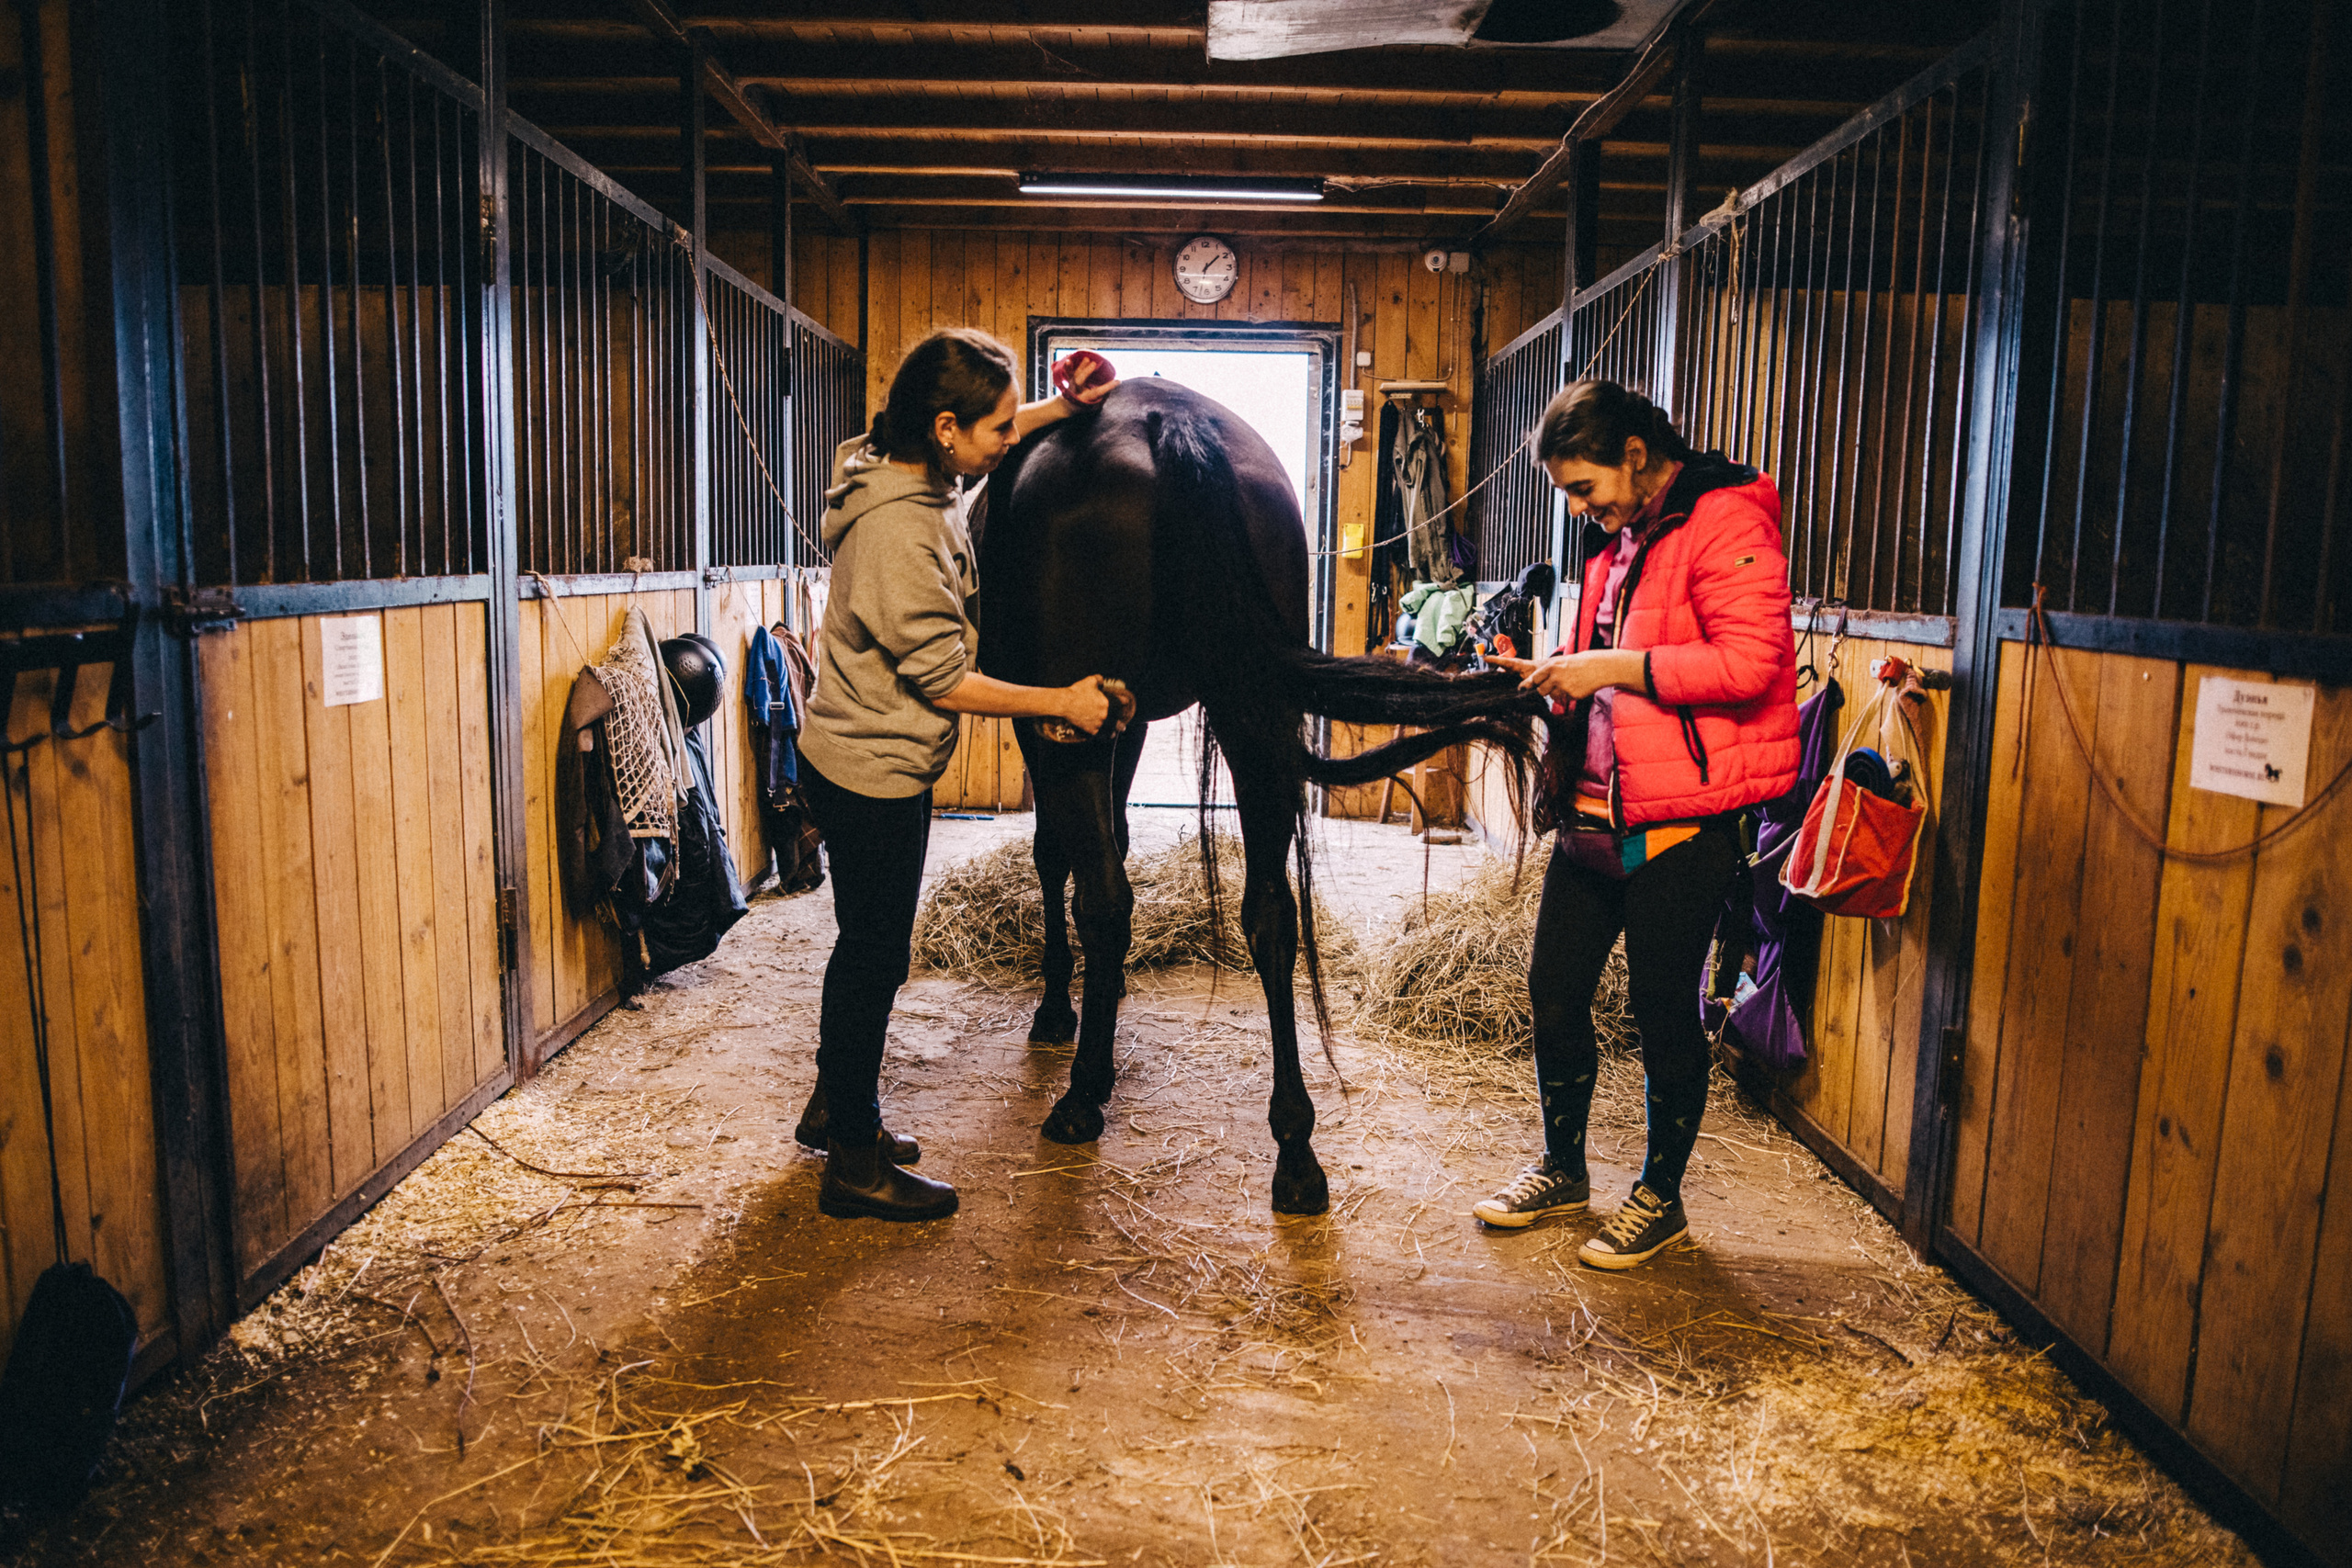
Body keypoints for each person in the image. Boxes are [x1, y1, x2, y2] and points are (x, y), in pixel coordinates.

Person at [795, 329, 1118, 1223]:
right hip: (871, 776)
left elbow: (969, 454)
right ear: (944, 427)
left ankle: (836, 1109)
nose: (1011, 443)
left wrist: (1063, 407)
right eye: (1001, 428)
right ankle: (852, 1162)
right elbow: (944, 678)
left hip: (857, 756)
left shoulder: (892, 467)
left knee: (865, 950)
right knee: (873, 957)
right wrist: (1063, 701)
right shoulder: (900, 532)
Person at [1477, 380, 1799, 1269]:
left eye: (1585, 487)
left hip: (1684, 821)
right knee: (1553, 988)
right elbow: (1615, 658)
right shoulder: (1614, 539)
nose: (1580, 508)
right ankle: (1563, 1168)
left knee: (1662, 1009)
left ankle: (1661, 1196)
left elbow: (1751, 661)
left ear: (1634, 451)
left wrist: (1607, 666)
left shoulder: (1726, 516)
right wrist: (1554, 671)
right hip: (1595, 807)